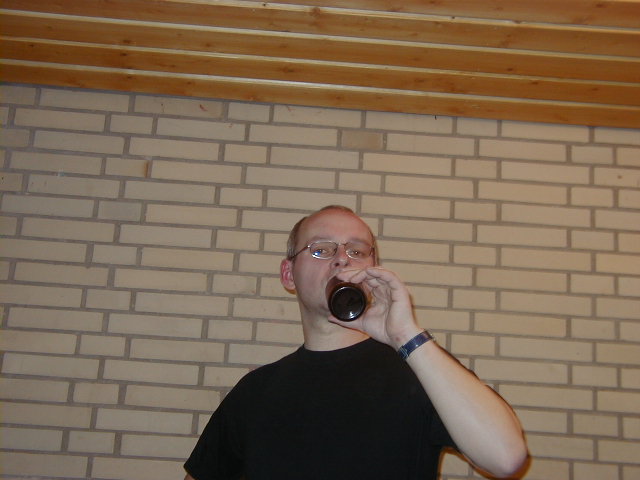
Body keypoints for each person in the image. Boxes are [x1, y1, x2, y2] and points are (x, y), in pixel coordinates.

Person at [184, 205, 528, 479]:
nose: (342, 259)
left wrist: (404, 335)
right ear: (288, 274)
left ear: (372, 270)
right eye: (321, 249)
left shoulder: (418, 367)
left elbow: (506, 459)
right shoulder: (256, 391)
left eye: (357, 251)